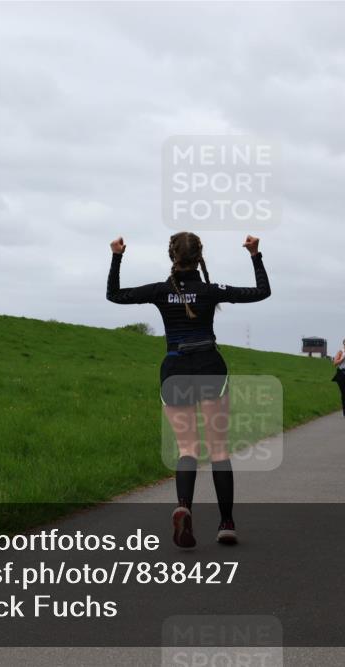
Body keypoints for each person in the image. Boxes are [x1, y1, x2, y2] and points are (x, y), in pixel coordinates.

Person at [107, 232, 270, 549]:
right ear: (199, 257)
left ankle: (184, 506)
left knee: (187, 449)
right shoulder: (210, 290)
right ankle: (226, 523)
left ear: (172, 257)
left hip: (176, 368)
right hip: (209, 365)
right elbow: (261, 292)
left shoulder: (160, 290)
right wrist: (255, 255)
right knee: (219, 450)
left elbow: (115, 295)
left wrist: (117, 256)